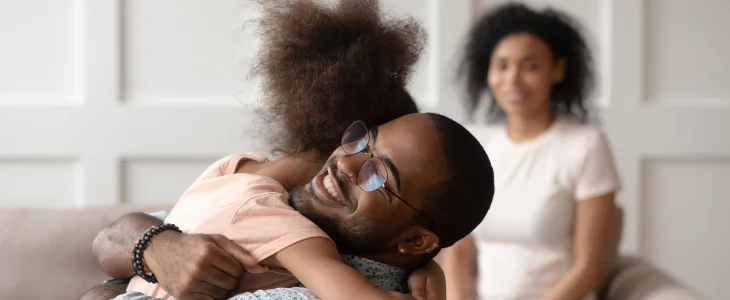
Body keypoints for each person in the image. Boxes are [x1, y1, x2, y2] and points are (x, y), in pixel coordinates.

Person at [82, 1, 496, 299]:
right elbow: (109, 242)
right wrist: (156, 247)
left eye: (378, 174)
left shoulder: (293, 238)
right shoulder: (258, 191)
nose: (343, 163)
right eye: (357, 139)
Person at [442, 3, 620, 300]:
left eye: (530, 66)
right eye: (502, 65)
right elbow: (458, 251)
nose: (512, 79)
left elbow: (589, 268)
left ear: (558, 70)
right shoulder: (475, 143)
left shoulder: (586, 146)